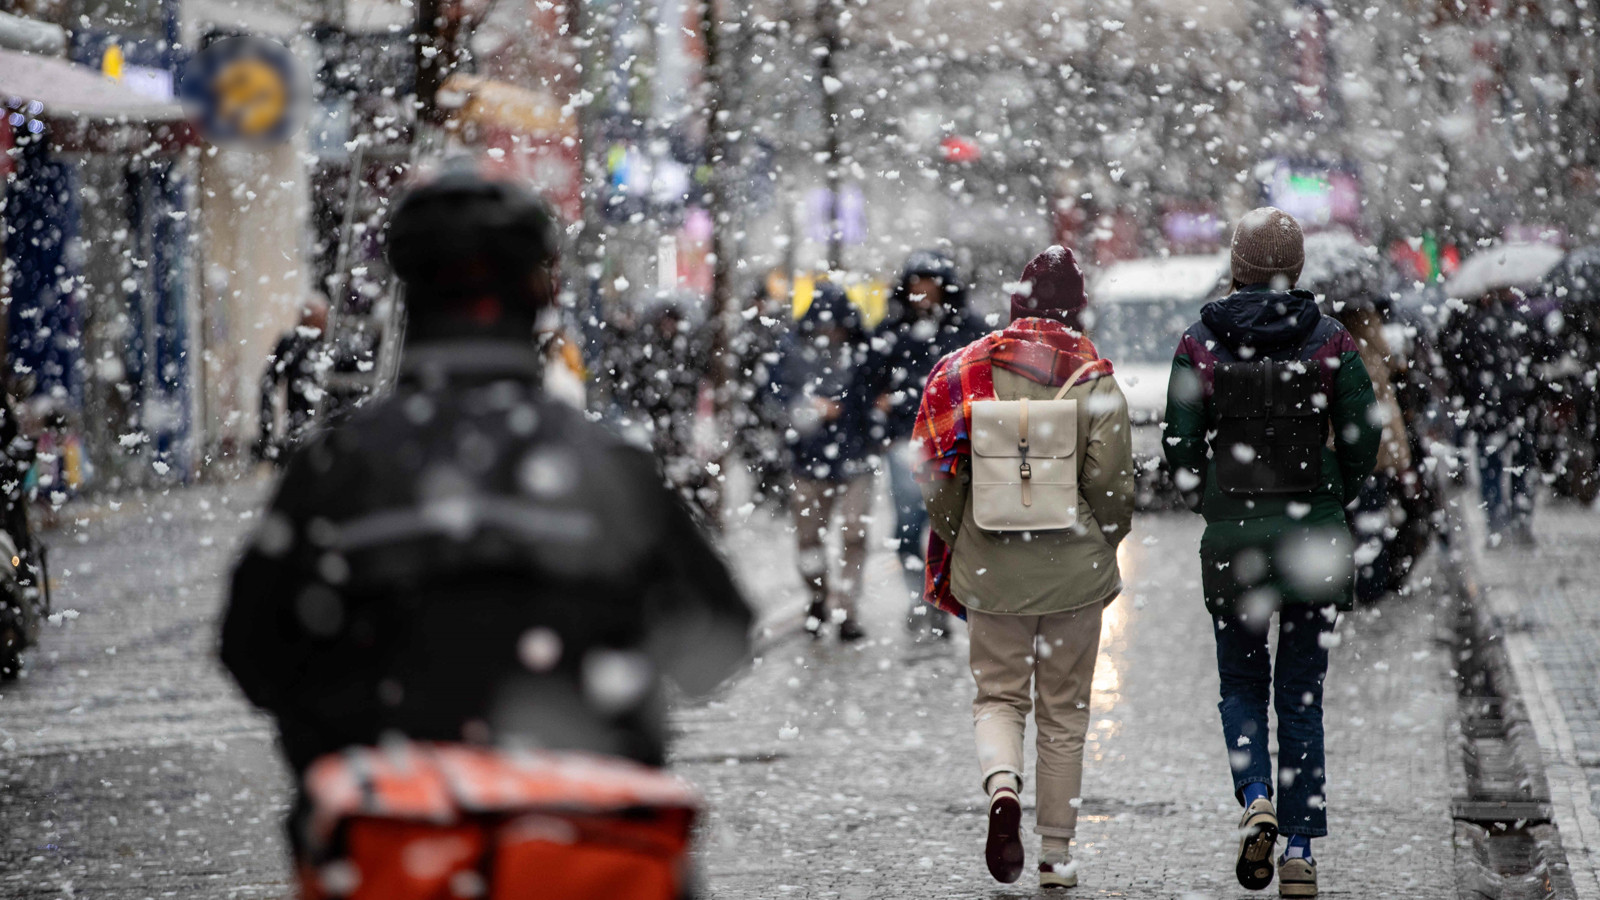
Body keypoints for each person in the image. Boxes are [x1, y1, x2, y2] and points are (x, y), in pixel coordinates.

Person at [219, 166, 753, 852]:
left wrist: (356, 720)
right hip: (578, 849)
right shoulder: (605, 468)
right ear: (542, 292)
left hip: (392, 849)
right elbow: (717, 642)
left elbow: (253, 649)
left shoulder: (338, 469)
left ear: (407, 296)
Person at [1163, 208, 1380, 898]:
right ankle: (1299, 848)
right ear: (1298, 266)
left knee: (1241, 686)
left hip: (1234, 546)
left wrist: (1217, 505)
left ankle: (1256, 792)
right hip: (1312, 542)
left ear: (1237, 265)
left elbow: (1178, 447)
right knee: (1302, 695)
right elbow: (1360, 437)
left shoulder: (1200, 343)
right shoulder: (1332, 342)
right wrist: (1331, 495)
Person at [914, 246, 1134, 889]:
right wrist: (1099, 540)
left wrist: (968, 537)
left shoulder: (962, 369)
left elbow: (936, 476)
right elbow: (1113, 486)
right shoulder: (1092, 376)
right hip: (1074, 572)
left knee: (998, 698)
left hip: (990, 567)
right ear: (1077, 308)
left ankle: (1003, 788)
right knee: (1064, 712)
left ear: (1017, 303)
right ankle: (1056, 855)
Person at [872, 250, 989, 638]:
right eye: (915, 284)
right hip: (906, 444)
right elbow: (869, 383)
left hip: (954, 443)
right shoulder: (892, 332)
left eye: (929, 284)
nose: (922, 292)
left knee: (952, 527)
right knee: (908, 527)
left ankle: (941, 598)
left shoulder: (967, 330)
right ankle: (919, 599)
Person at [775, 281, 879, 642]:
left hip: (855, 460)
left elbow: (873, 396)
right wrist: (807, 408)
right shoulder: (791, 351)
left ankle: (847, 610)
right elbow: (775, 396)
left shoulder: (863, 350)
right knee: (808, 539)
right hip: (808, 461)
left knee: (854, 535)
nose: (829, 333)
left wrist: (848, 410)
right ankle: (818, 599)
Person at [1439, 285, 1540, 546]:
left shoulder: (1474, 325)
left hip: (1488, 408)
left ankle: (1497, 525)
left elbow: (1457, 364)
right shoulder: (1523, 321)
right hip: (1520, 406)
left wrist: (1468, 396)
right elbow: (1540, 357)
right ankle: (1521, 521)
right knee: (1522, 465)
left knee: (1491, 467)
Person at [728, 270, 794, 508]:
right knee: (756, 452)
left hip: (771, 400)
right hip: (754, 402)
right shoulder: (748, 330)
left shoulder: (777, 328)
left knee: (776, 453)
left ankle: (776, 493)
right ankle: (765, 491)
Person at [256, 296, 331, 464]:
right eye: (315, 320)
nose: (322, 326)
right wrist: (266, 436)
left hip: (330, 432)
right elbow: (267, 385)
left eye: (323, 320)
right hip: (299, 433)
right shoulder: (292, 345)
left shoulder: (335, 346)